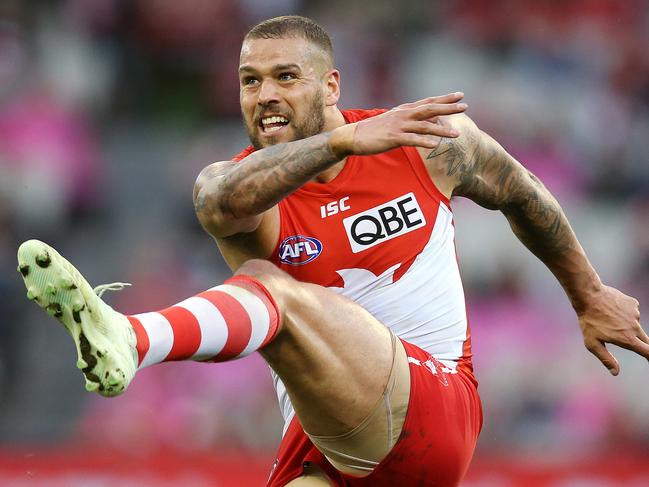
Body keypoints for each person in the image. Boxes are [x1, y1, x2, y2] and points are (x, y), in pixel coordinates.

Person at [17, 15, 646, 487]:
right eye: (250, 81)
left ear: (331, 84)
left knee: (273, 287)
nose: (265, 95)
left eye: (286, 77)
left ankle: (131, 339)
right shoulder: (248, 188)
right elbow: (214, 200)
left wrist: (586, 293)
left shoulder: (424, 142)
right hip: (327, 442)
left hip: (434, 409)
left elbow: (521, 192)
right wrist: (341, 144)